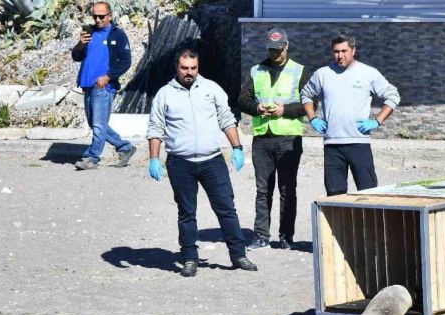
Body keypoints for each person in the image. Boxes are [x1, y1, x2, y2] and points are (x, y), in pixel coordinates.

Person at [146, 48, 257, 277]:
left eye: (193, 68)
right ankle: (189, 258)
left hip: (212, 160)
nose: (189, 72)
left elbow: (227, 119)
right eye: (184, 68)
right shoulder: (164, 94)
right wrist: (154, 158)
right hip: (180, 162)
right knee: (186, 212)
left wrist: (237, 148)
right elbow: (155, 128)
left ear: (198, 67)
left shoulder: (211, 89)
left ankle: (239, 255)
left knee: (226, 209)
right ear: (177, 67)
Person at [301, 31, 400, 196]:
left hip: (359, 143)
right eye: (336, 51)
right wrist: (312, 118)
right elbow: (306, 95)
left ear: (353, 50)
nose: (340, 56)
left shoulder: (368, 73)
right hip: (332, 145)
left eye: (344, 51)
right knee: (335, 196)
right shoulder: (323, 74)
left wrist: (377, 121)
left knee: (369, 193)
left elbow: (393, 96)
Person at [237, 28, 309, 251]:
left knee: (287, 190)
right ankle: (261, 236)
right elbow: (242, 100)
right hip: (262, 138)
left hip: (289, 138)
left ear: (286, 46)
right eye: (271, 49)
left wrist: (285, 110)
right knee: (263, 190)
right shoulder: (256, 71)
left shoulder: (299, 71)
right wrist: (256, 108)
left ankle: (286, 236)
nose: (275, 53)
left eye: (278, 49)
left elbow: (309, 105)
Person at [71, 1, 136, 170]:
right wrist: (81, 44)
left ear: (110, 16)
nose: (98, 20)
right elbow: (76, 57)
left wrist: (107, 77)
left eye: (101, 16)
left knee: (99, 126)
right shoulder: (90, 32)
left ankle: (92, 158)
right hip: (87, 85)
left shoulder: (118, 35)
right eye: (95, 16)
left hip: (103, 86)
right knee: (95, 124)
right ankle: (125, 147)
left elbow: (126, 61)